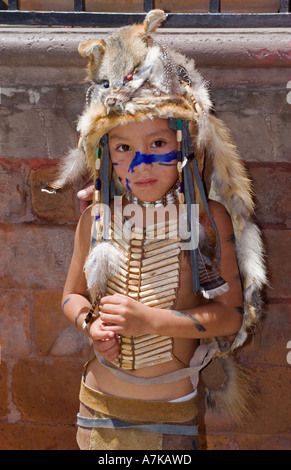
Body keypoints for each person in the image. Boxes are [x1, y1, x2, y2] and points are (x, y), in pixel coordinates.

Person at [49, 10, 266, 450]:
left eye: (158, 144)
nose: (141, 163)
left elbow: (229, 316)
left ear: (184, 145)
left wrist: (152, 321)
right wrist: (91, 325)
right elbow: (70, 297)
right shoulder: (96, 218)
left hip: (171, 416)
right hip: (97, 408)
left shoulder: (208, 220)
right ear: (105, 156)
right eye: (124, 147)